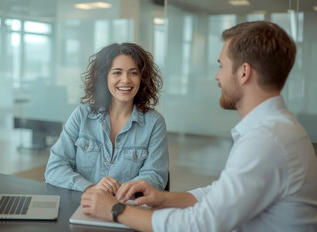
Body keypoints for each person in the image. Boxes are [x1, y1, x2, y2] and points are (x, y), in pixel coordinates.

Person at [81, 21, 317, 231]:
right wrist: (164, 198)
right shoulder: (276, 129)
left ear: (244, 72)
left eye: (221, 66)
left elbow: (202, 223)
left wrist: (115, 211)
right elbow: (220, 193)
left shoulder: (266, 140)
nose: (217, 76)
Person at [44, 43, 169, 193]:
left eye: (133, 73)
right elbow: (55, 167)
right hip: (81, 204)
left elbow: (155, 177)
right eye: (117, 72)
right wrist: (91, 188)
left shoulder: (154, 123)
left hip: (126, 208)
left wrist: (120, 192)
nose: (125, 80)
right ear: (104, 78)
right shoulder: (82, 115)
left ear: (142, 78)